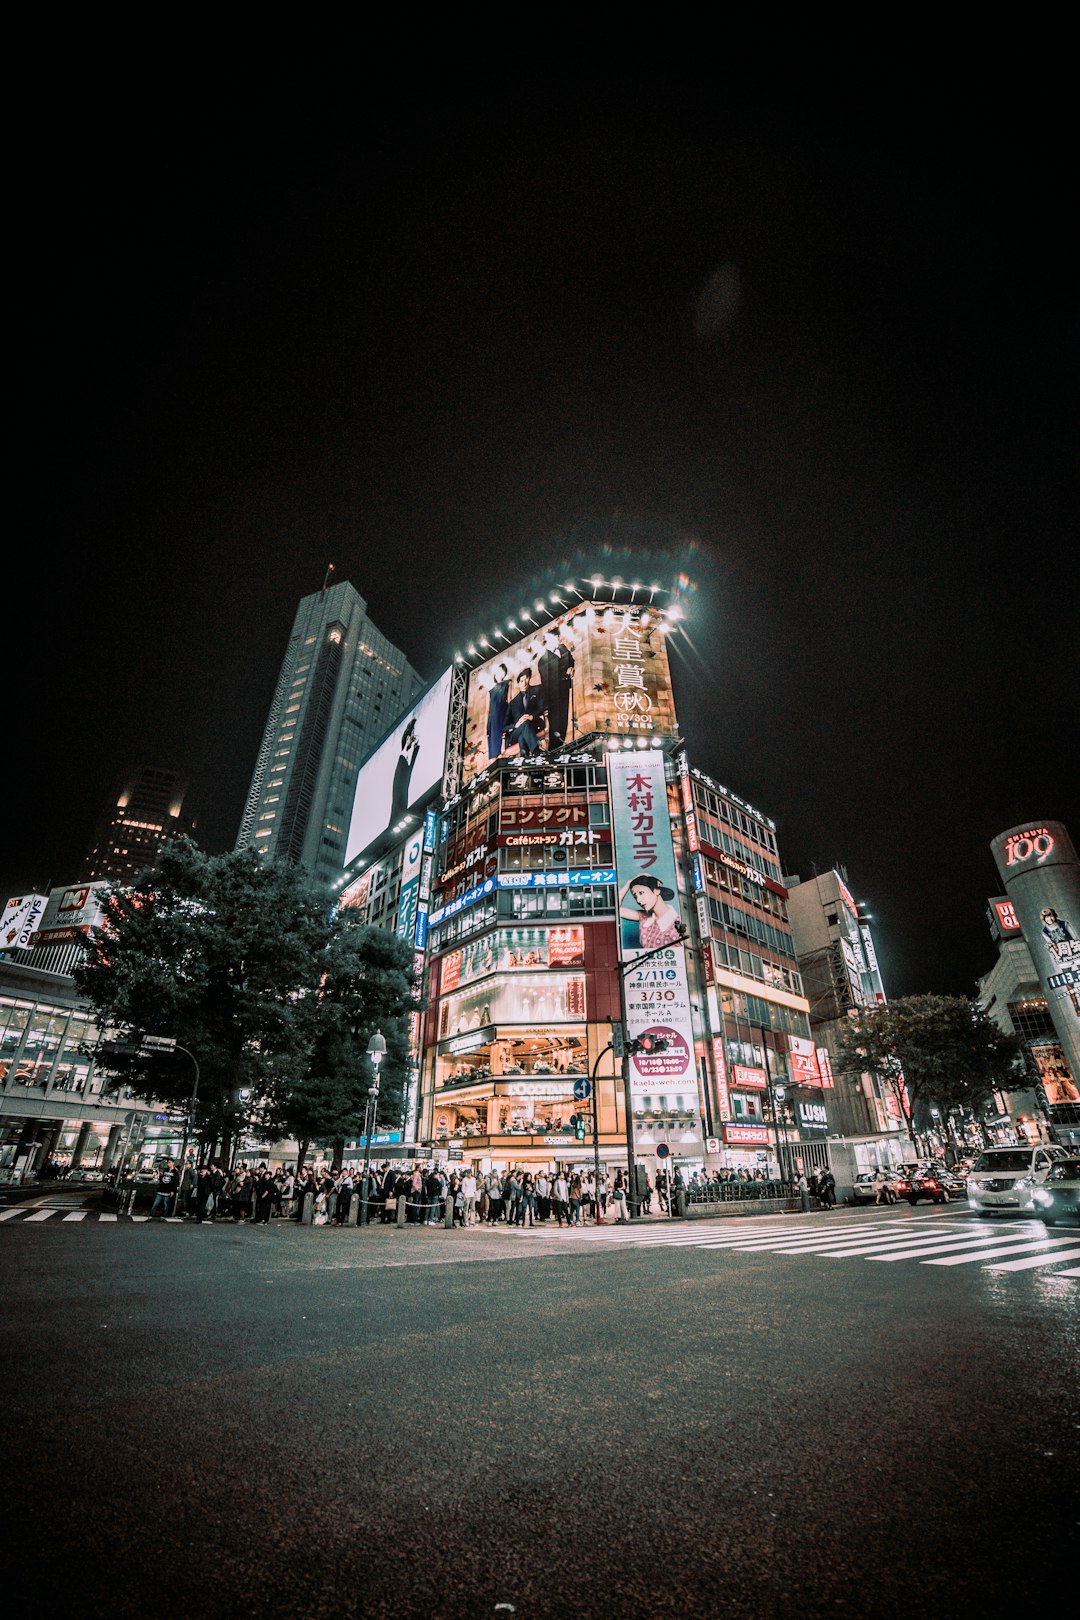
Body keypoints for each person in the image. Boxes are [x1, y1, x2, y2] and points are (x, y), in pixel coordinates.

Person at [619, 875, 682, 950]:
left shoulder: (678, 922)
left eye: (641, 893)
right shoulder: (645, 918)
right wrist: (629, 883)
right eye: (635, 896)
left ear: (657, 891)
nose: (638, 900)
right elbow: (616, 909)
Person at [537, 628, 575, 748]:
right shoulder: (543, 660)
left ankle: (562, 745)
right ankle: (555, 749)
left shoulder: (563, 649)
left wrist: (571, 668)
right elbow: (548, 681)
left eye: (557, 638)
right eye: (552, 639)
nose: (556, 640)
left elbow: (571, 661)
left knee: (564, 719)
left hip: (564, 690)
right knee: (555, 722)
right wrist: (565, 674)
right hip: (552, 695)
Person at [389, 717, 420, 828]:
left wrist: (414, 747)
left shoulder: (406, 759)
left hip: (402, 802)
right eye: (411, 736)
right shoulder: (402, 761)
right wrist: (408, 746)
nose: (413, 738)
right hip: (400, 801)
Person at [507, 669, 544, 757]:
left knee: (523, 735)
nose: (524, 683)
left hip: (534, 725)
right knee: (524, 725)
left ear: (529, 678)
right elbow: (505, 726)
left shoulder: (537, 690)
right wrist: (516, 725)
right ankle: (536, 752)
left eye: (526, 679)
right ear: (518, 683)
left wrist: (531, 717)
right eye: (521, 681)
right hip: (516, 731)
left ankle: (525, 759)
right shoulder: (512, 703)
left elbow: (543, 707)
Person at [485, 663, 511, 763]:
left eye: (502, 671)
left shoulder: (507, 684)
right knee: (493, 750)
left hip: (504, 717)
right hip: (493, 721)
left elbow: (509, 701)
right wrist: (485, 728)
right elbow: (487, 710)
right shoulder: (490, 691)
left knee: (504, 747)